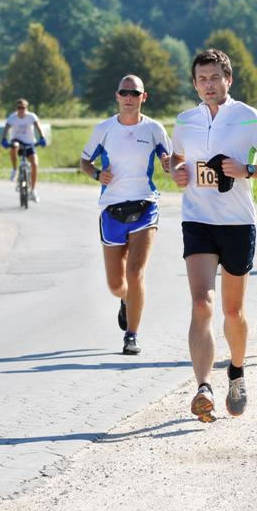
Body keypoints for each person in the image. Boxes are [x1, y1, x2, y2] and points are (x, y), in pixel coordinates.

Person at [170, 49, 257, 423]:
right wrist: (176, 172)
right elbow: (176, 158)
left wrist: (247, 169)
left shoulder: (248, 117)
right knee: (201, 303)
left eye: (215, 78)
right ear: (194, 84)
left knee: (233, 311)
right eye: (202, 79)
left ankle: (236, 372)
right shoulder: (185, 121)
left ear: (228, 80)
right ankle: (203, 387)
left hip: (237, 224)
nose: (208, 85)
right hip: (197, 221)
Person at [80, 75, 171, 356]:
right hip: (112, 209)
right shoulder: (104, 129)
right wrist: (97, 174)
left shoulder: (154, 129)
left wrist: (169, 163)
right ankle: (126, 300)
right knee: (116, 284)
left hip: (145, 206)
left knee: (135, 273)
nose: (129, 97)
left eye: (135, 93)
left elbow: (171, 161)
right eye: (124, 92)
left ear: (144, 97)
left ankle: (132, 335)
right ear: (117, 96)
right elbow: (84, 162)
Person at [1, 98, 46, 202]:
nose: (21, 110)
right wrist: (3, 139)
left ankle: (33, 190)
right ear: (16, 109)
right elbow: (6, 129)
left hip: (29, 142)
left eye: (23, 108)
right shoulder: (12, 118)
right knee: (14, 146)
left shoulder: (31, 117)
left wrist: (42, 137)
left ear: (26, 108)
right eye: (19, 108)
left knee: (34, 163)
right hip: (17, 141)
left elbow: (38, 126)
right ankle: (14, 169)